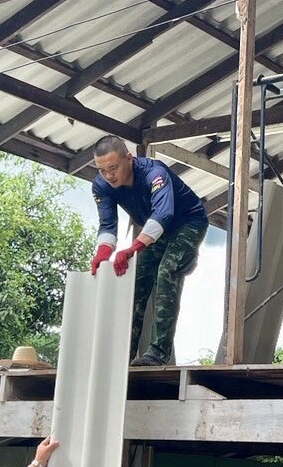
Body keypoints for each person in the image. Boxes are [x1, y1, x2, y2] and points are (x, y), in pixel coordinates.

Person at [88, 135, 208, 366]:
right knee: (136, 280)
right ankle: (124, 354)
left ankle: (158, 353)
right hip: (156, 232)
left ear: (128, 158)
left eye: (113, 168)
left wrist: (132, 248)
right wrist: (101, 256)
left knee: (167, 271)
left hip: (188, 223)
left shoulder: (155, 173)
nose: (109, 176)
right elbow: (107, 226)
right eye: (102, 170)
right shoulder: (101, 186)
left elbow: (163, 214)